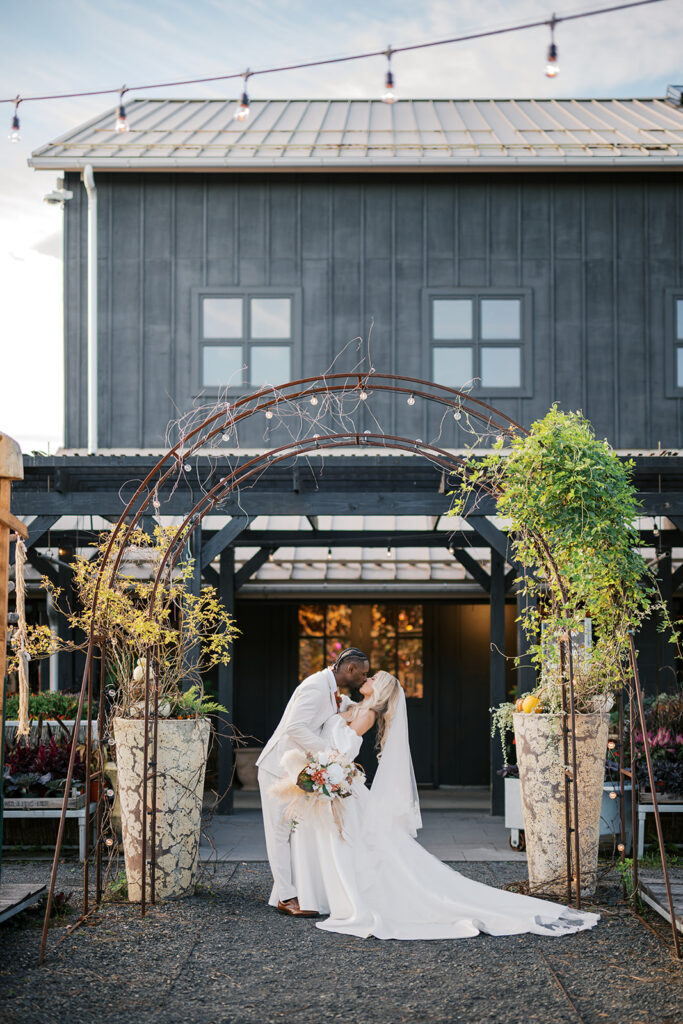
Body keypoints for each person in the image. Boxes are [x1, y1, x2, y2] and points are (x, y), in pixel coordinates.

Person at [275, 670, 601, 940]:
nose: (367, 676)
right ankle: (323, 894)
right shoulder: (354, 707)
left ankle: (342, 896)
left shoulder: (366, 714)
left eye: (373, 676)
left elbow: (345, 751)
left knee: (356, 850)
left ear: (380, 688)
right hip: (335, 784)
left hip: (341, 786)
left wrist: (326, 766)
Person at [256, 647, 369, 917]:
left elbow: (337, 707)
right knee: (280, 835)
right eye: (363, 674)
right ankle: (286, 897)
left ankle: (293, 889)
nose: (365, 679)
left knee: (295, 833)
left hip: (296, 772)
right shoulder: (316, 686)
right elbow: (295, 727)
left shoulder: (330, 689)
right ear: (350, 669)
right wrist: (329, 755)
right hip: (276, 769)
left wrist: (365, 706)